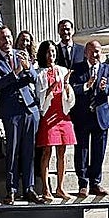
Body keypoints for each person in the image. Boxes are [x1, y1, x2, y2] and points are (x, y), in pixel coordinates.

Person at [0, 27, 42, 205]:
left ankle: (29, 188)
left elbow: (35, 78)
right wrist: (16, 72)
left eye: (9, 36)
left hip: (29, 109)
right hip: (11, 111)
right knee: (12, 151)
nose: (7, 40)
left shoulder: (22, 54)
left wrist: (27, 68)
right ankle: (11, 189)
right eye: (2, 38)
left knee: (29, 151)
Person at [68, 40, 109, 197]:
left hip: (100, 117)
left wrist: (105, 88)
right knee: (81, 151)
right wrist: (85, 86)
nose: (95, 55)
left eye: (98, 51)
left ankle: (95, 182)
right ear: (86, 53)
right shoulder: (77, 69)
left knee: (98, 152)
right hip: (82, 116)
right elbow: (71, 89)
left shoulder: (108, 70)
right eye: (92, 51)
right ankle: (83, 183)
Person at [34, 41, 76, 201]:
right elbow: (39, 96)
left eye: (53, 52)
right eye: (48, 52)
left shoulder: (63, 70)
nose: (51, 55)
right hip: (48, 115)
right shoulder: (39, 74)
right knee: (46, 152)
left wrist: (66, 85)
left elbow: (69, 97)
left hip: (62, 115)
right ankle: (45, 188)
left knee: (62, 152)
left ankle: (60, 187)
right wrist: (50, 90)